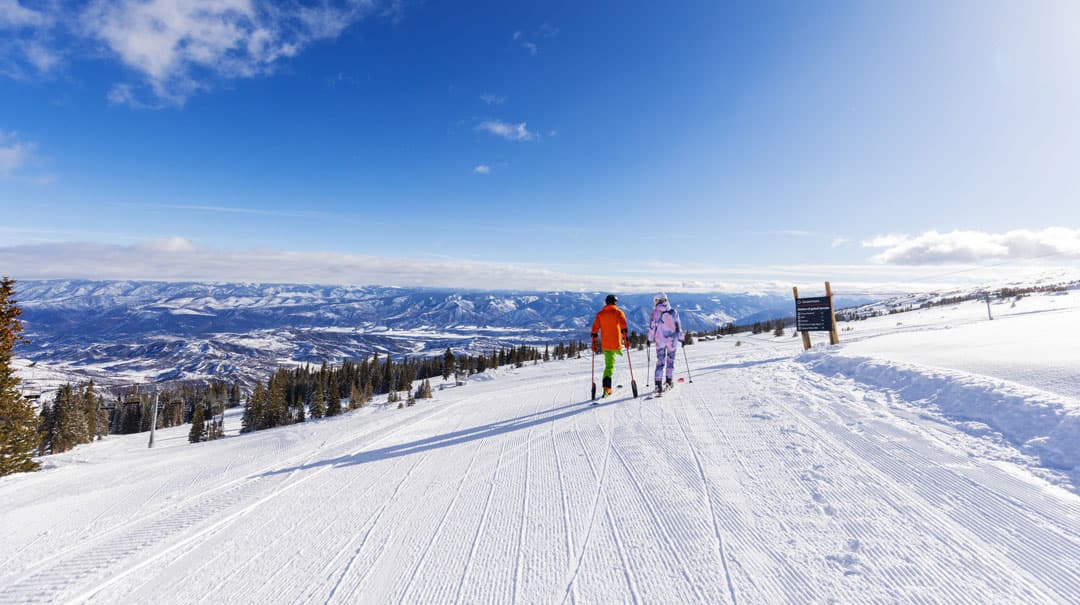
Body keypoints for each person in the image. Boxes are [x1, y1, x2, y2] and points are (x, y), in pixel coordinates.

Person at [591, 294, 629, 397]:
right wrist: (626, 340)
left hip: (606, 344)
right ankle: (607, 389)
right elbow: (624, 327)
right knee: (612, 363)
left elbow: (594, 330)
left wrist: (594, 342)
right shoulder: (618, 312)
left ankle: (607, 389)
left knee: (609, 366)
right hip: (616, 344)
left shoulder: (600, 314)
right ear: (615, 302)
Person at [647, 292, 683, 394]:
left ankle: (658, 385)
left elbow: (652, 328)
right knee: (670, 361)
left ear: (658, 300)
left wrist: (649, 339)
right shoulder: (673, 312)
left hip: (660, 341)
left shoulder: (655, 313)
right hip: (672, 341)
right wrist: (682, 338)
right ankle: (669, 382)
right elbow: (678, 327)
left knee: (660, 362)